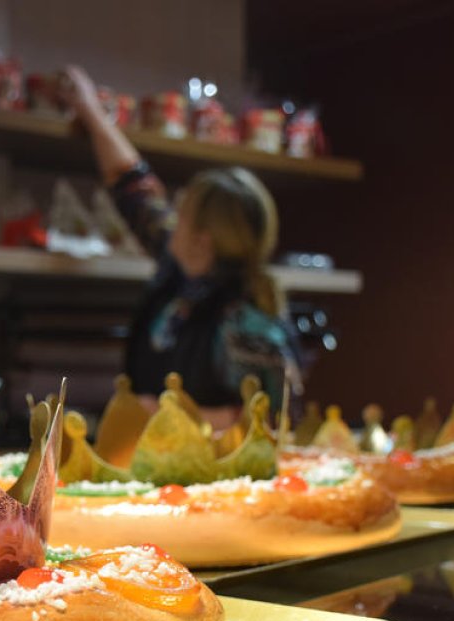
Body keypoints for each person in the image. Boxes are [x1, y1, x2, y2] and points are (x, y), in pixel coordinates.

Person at [61, 66, 304, 429]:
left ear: (202, 240)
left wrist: (167, 416)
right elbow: (133, 187)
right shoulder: (181, 269)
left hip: (222, 482)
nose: (171, 213)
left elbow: (278, 421)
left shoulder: (249, 324)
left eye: (183, 210)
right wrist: (90, 109)